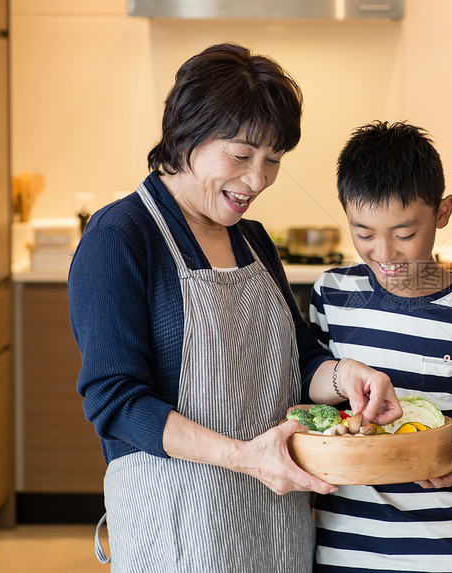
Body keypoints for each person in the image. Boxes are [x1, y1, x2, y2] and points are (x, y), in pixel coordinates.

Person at [68, 43, 401, 572]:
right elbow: (116, 402)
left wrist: (345, 378)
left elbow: (300, 357)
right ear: (186, 134)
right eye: (241, 155)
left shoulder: (252, 240)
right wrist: (244, 457)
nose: (257, 180)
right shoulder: (120, 238)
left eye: (273, 160)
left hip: (276, 522)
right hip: (180, 530)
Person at [307, 121, 452, 573]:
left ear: (443, 211)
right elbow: (313, 392)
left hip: (446, 546)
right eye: (364, 233)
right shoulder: (332, 292)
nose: (385, 253)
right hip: (343, 545)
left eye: (404, 234)